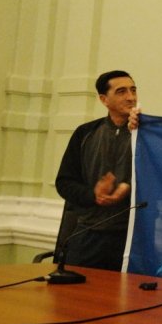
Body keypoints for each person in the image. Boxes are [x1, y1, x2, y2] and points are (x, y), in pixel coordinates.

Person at [55, 70, 137, 271]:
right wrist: (93, 195)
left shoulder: (146, 134)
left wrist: (129, 188)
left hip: (130, 237)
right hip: (88, 234)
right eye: (121, 91)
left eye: (133, 90)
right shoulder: (85, 133)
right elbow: (64, 183)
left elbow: (160, 181)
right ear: (103, 99)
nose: (131, 97)